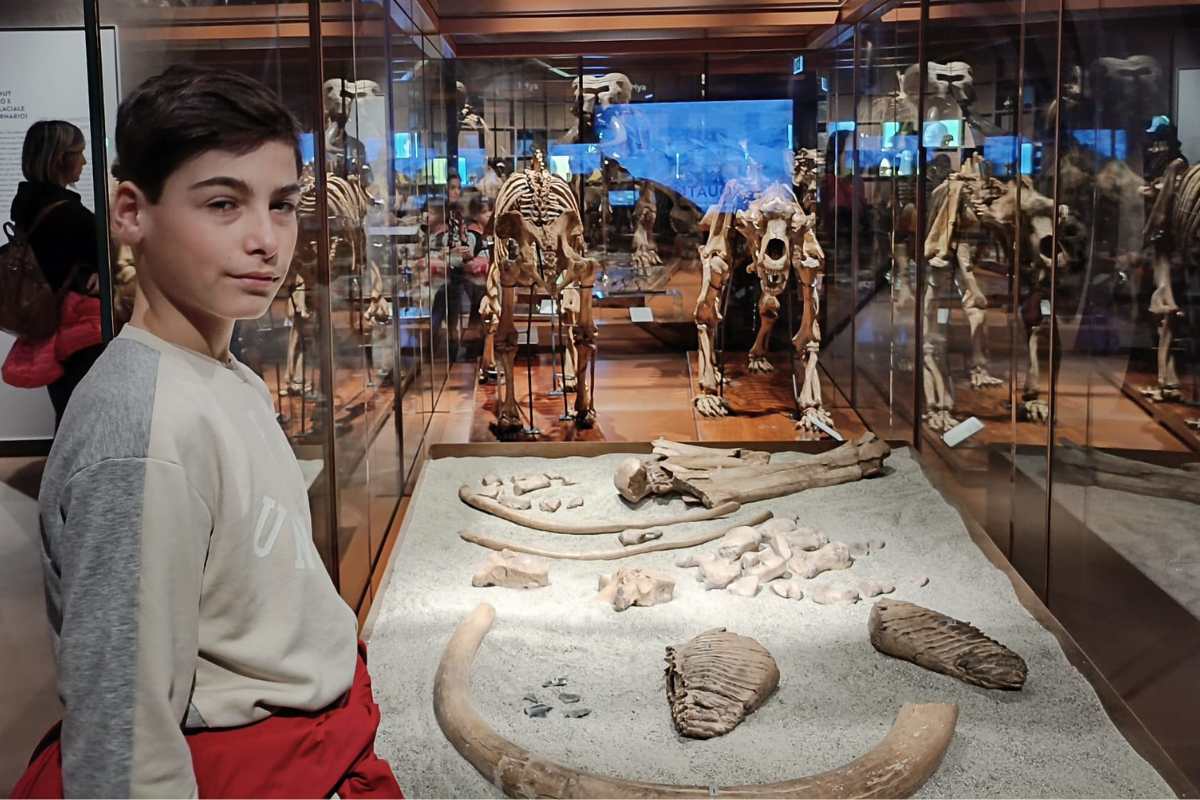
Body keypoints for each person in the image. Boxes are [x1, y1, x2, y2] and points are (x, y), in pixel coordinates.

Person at [11, 65, 403, 798]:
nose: (266, 240)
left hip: (314, 740)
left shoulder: (225, 373)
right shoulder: (142, 433)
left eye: (282, 205)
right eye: (223, 203)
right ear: (131, 211)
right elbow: (122, 731)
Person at [5, 120, 105, 427]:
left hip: (50, 321)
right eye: (80, 153)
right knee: (85, 414)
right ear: (61, 159)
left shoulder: (25, 204)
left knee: (68, 407)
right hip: (78, 325)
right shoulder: (69, 215)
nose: (85, 161)